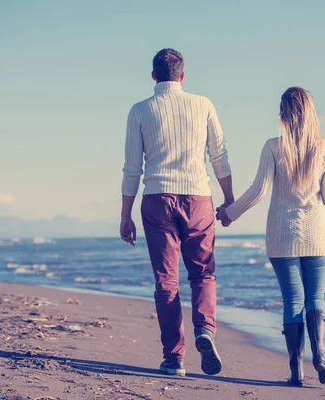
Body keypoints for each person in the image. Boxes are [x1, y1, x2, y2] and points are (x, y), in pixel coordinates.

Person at [120, 48, 234, 377]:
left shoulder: (140, 110)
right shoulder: (203, 104)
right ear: (182, 76)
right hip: (198, 197)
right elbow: (220, 156)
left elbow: (132, 168)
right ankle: (205, 330)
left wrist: (125, 215)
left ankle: (174, 358)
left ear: (153, 76)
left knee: (166, 282)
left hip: (157, 199)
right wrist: (227, 200)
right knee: (203, 274)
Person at [217, 87, 325, 386]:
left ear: (283, 115)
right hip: (318, 234)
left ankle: (296, 371)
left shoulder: (273, 146)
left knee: (293, 300)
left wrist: (230, 213)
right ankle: (321, 356)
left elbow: (259, 191)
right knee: (316, 298)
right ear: (311, 113)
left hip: (282, 235)